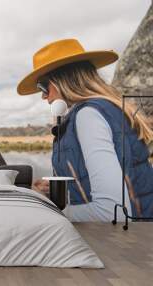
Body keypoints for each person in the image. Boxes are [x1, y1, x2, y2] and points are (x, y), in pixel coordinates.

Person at [17, 38, 153, 222]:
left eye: (43, 87)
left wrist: (47, 215)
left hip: (131, 243)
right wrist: (64, 182)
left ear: (63, 80)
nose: (43, 96)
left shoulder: (88, 115)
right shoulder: (101, 110)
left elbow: (112, 212)